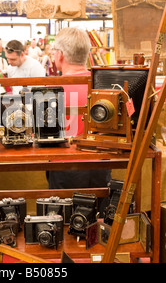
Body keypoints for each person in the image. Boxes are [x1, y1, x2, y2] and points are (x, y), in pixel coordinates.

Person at [46, 27, 111, 211]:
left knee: (65, 224)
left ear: (60, 55)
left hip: (64, 166)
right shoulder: (102, 86)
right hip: (100, 164)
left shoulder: (52, 89)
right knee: (97, 222)